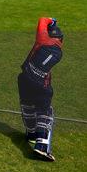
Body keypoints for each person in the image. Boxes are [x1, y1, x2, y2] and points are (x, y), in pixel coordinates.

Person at [18, 17, 63, 161]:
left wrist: (51, 20)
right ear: (60, 39)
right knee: (45, 110)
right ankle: (42, 145)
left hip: (24, 78)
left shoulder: (43, 39)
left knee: (27, 104)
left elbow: (42, 19)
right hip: (41, 84)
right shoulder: (59, 52)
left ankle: (31, 134)